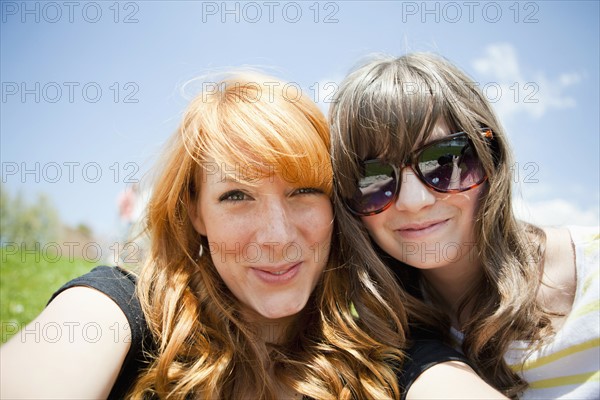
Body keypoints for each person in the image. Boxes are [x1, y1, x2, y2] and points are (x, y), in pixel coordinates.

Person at [1, 71, 506, 400]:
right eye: (236, 196)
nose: (276, 235)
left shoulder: (388, 352)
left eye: (304, 191)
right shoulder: (121, 314)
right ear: (194, 212)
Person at [329, 52, 600, 399]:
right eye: (373, 179)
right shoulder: (376, 333)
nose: (414, 201)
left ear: (491, 159)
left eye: (444, 160)